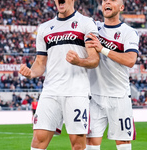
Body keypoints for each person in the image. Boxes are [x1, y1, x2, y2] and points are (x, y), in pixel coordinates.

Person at [19, 0, 99, 149]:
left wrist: (78, 61)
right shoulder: (44, 28)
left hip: (76, 92)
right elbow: (40, 63)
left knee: (78, 145)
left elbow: (95, 60)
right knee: (38, 140)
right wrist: (31, 73)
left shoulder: (86, 23)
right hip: (50, 91)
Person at [85, 0, 139, 150]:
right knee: (90, 143)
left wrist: (102, 49)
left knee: (123, 144)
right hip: (94, 97)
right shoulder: (94, 27)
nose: (107, 2)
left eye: (113, 0)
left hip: (119, 97)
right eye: (104, 0)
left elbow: (130, 60)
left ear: (121, 7)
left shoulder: (129, 32)